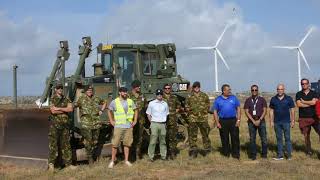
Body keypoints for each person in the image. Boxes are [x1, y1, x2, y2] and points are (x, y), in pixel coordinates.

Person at [75, 85, 107, 164]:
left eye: (91, 90)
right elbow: (74, 106)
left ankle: (94, 156)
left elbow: (104, 102)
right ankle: (90, 159)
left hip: (96, 123)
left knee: (95, 141)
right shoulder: (81, 99)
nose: (90, 91)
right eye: (88, 90)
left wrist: (101, 111)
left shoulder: (96, 98)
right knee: (88, 142)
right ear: (85, 91)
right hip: (86, 124)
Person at [107, 87, 138, 168]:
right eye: (124, 92)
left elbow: (136, 110)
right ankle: (112, 161)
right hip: (118, 126)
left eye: (126, 91)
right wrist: (111, 121)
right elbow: (109, 110)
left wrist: (135, 121)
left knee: (127, 144)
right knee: (115, 144)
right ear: (120, 93)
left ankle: (126, 160)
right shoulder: (115, 102)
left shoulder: (130, 101)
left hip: (128, 126)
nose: (125, 93)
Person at [48, 83, 75, 171]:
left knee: (66, 145)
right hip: (55, 126)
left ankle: (68, 164)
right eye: (58, 88)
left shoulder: (66, 98)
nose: (60, 89)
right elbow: (53, 111)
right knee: (53, 145)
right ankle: (51, 164)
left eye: (61, 88)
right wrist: (64, 110)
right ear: (55, 89)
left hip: (65, 126)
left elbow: (70, 109)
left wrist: (58, 108)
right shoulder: (52, 99)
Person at [213, 84, 241, 159]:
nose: (230, 91)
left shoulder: (234, 98)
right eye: (228, 90)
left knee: (235, 138)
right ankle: (226, 154)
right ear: (223, 91)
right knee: (224, 138)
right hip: (223, 121)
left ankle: (236, 154)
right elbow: (215, 111)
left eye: (230, 90)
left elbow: (238, 108)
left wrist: (238, 120)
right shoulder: (218, 99)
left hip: (233, 120)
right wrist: (217, 122)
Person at [185, 81, 211, 158]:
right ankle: (193, 151)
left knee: (205, 134)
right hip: (193, 119)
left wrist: (205, 111)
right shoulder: (189, 96)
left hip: (203, 119)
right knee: (192, 135)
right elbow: (186, 106)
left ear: (200, 87)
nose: (197, 88)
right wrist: (191, 111)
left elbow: (208, 104)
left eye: (198, 86)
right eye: (195, 87)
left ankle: (207, 150)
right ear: (193, 87)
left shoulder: (204, 95)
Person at [269, 84, 295, 160]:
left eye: (281, 89)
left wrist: (293, 120)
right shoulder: (273, 99)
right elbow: (271, 110)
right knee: (279, 139)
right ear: (277, 90)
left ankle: (289, 155)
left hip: (286, 122)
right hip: (277, 122)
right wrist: (271, 121)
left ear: (284, 90)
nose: (280, 90)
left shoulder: (289, 98)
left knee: (287, 139)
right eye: (278, 89)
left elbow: (292, 110)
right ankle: (280, 155)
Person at [295, 78, 320, 156]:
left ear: (308, 84)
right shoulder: (298, 94)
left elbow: (315, 102)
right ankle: (309, 151)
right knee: (306, 136)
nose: (304, 85)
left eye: (305, 83)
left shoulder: (314, 93)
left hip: (314, 117)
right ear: (301, 84)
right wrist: (309, 103)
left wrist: (304, 102)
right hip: (303, 118)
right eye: (302, 84)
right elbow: (299, 104)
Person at [244, 85, 268, 160]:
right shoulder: (248, 100)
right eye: (253, 90)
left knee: (264, 139)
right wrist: (253, 121)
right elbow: (246, 111)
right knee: (252, 139)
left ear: (258, 91)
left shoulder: (262, 99)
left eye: (255, 90)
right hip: (251, 122)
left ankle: (264, 154)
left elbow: (265, 110)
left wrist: (259, 120)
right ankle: (253, 155)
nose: (254, 91)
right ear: (251, 91)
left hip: (261, 121)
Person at [146, 89, 169, 161]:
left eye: (161, 94)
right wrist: (152, 122)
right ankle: (151, 157)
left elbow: (167, 114)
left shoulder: (165, 104)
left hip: (162, 124)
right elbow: (148, 114)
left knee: (163, 141)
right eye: (158, 94)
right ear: (156, 95)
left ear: (162, 95)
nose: (159, 95)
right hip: (154, 124)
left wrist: (164, 122)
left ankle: (163, 156)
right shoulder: (151, 103)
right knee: (153, 141)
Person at [128, 80, 147, 160]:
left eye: (139, 86)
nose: (139, 87)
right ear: (134, 87)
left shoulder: (142, 96)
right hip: (131, 121)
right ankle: (131, 155)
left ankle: (137, 154)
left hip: (140, 120)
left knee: (139, 137)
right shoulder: (128, 96)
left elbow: (146, 107)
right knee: (130, 137)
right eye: (138, 86)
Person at [163, 83, 182, 159]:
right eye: (166, 88)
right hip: (164, 120)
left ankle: (172, 153)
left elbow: (179, 106)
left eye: (169, 88)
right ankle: (165, 152)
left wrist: (174, 112)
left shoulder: (174, 97)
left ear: (170, 89)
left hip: (173, 120)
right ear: (164, 89)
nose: (167, 89)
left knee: (173, 137)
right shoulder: (161, 97)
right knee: (164, 137)